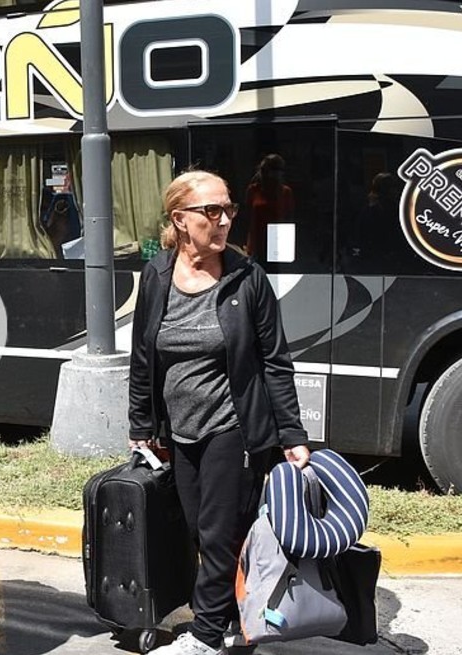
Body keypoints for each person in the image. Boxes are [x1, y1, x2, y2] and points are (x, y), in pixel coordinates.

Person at [128, 170, 311, 655]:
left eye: (228, 208)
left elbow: (275, 361)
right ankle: (232, 617)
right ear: (180, 219)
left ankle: (205, 636)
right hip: (179, 428)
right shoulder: (157, 275)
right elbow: (143, 355)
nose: (225, 219)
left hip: (234, 426)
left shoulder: (247, 278)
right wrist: (141, 423)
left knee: (219, 533)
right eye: (212, 211)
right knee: (197, 529)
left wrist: (291, 434)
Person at [243, 153, 294, 259]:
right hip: (257, 240)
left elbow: (288, 218)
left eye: (279, 170)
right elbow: (247, 217)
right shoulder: (253, 190)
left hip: (278, 240)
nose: (277, 173)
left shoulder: (285, 192)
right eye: (274, 169)